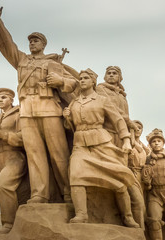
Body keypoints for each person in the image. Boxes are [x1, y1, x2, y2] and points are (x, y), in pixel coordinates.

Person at [0, 1, 77, 203]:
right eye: (30, 41)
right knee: (35, 155)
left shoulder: (52, 62)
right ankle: (40, 194)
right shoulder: (22, 61)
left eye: (36, 41)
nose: (32, 44)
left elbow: (74, 83)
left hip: (49, 110)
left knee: (59, 154)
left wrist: (60, 80)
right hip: (27, 112)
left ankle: (68, 193)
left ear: (43, 44)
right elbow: (6, 45)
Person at [63, 69, 139, 228]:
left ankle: (127, 217)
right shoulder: (75, 102)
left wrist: (126, 140)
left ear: (93, 82)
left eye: (85, 78)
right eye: (80, 78)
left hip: (101, 142)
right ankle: (81, 214)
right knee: (76, 175)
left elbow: (118, 120)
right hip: (80, 144)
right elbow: (70, 127)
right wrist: (67, 118)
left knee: (118, 178)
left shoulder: (102, 100)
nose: (82, 80)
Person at [0, 88, 27, 234]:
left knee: (1, 186)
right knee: (15, 194)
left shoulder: (19, 114)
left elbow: (24, 137)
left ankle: (8, 223)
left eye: (3, 97)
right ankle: (16, 226)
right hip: (0, 159)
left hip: (15, 157)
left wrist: (3, 135)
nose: (0, 100)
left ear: (11, 100)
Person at [96, 66, 137, 148]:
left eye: (114, 73)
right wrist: (128, 120)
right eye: (109, 73)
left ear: (119, 77)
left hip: (121, 132)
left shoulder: (122, 94)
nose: (111, 75)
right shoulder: (100, 89)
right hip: (107, 130)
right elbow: (111, 106)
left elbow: (126, 112)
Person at [127, 120, 150, 229]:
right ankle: (139, 232)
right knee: (138, 203)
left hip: (142, 178)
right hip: (131, 174)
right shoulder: (128, 143)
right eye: (135, 127)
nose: (137, 130)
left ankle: (142, 231)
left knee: (144, 207)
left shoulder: (144, 147)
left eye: (140, 128)